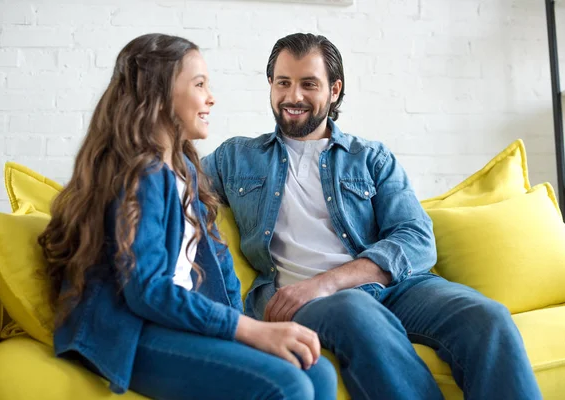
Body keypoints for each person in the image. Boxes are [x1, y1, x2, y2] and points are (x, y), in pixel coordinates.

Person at [202, 32, 543, 400]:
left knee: (487, 318)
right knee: (355, 309)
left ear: (334, 90)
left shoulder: (371, 157)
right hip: (310, 303)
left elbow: (416, 238)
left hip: (393, 288)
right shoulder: (235, 158)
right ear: (270, 85)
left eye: (308, 84)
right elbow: (165, 183)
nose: (294, 96)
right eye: (283, 82)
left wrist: (328, 281)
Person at [38, 33, 337, 400]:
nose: (211, 97)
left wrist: (252, 328)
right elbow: (147, 291)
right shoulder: (141, 176)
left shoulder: (185, 172)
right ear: (160, 94)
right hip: (133, 330)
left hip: (173, 323)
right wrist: (247, 332)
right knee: (287, 384)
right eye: (199, 84)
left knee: (316, 371)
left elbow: (220, 266)